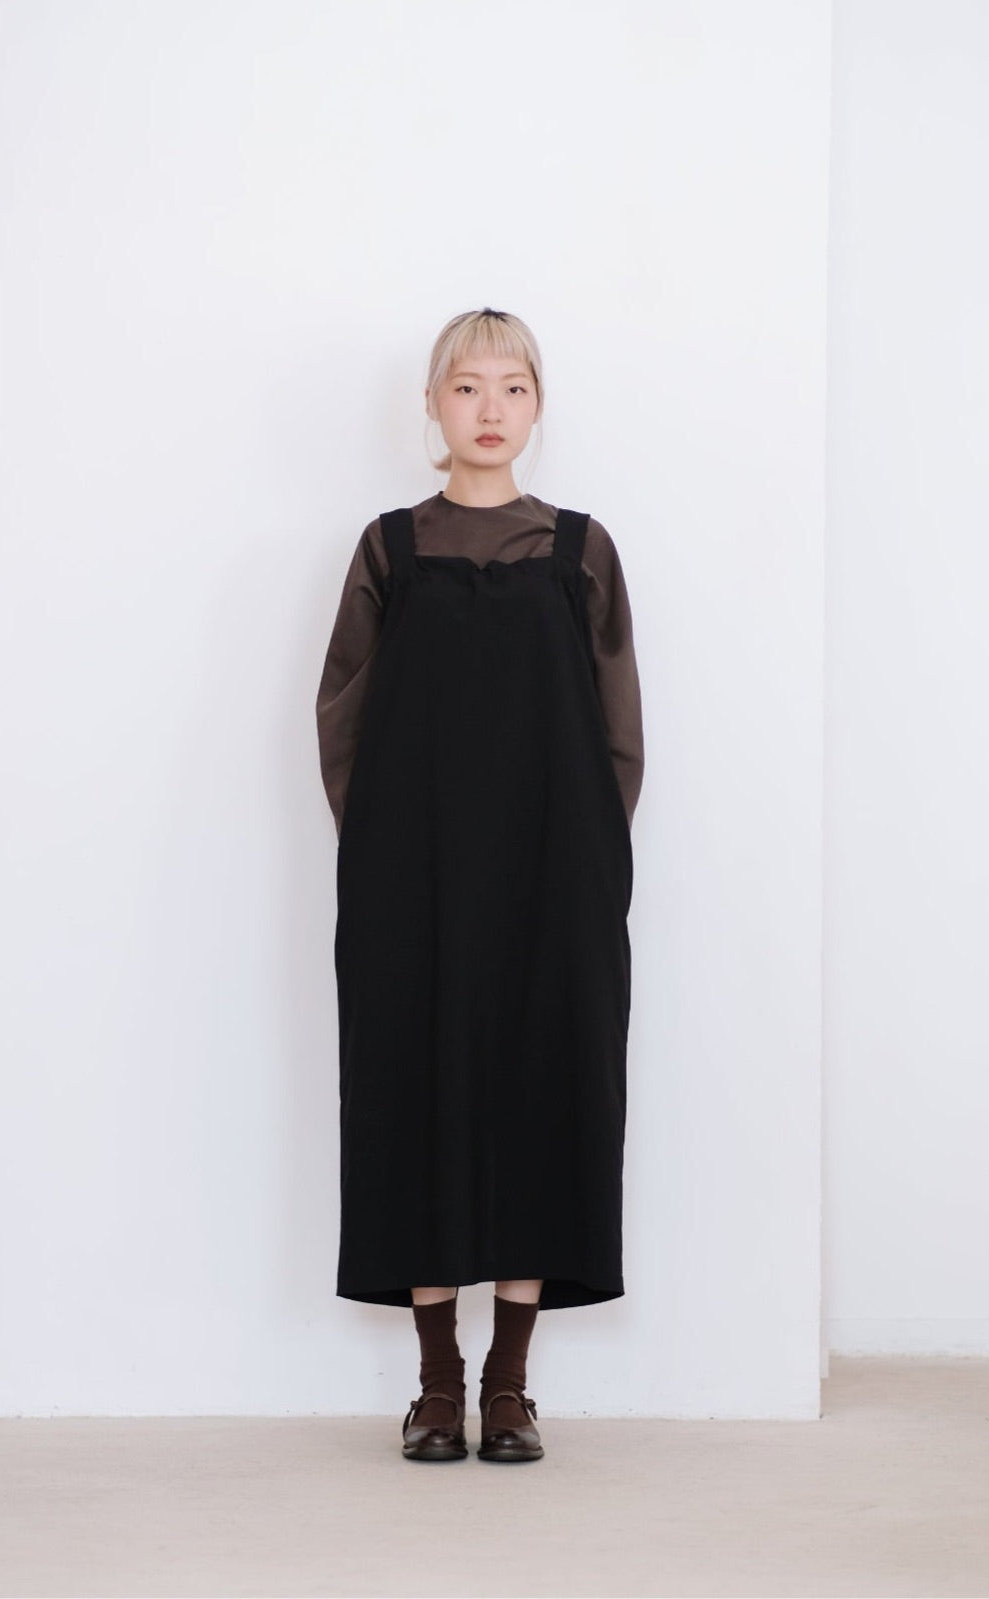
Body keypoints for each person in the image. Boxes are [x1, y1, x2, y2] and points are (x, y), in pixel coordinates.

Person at [316, 307, 643, 1463]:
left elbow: (618, 732)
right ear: (431, 405)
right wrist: (386, 855)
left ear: (538, 406)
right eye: (465, 387)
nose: (488, 409)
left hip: (555, 878)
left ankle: (509, 1387)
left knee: (540, 1098)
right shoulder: (390, 551)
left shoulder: (579, 551)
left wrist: (589, 861)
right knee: (411, 1095)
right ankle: (435, 1388)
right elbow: (343, 718)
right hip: (410, 880)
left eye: (511, 387)